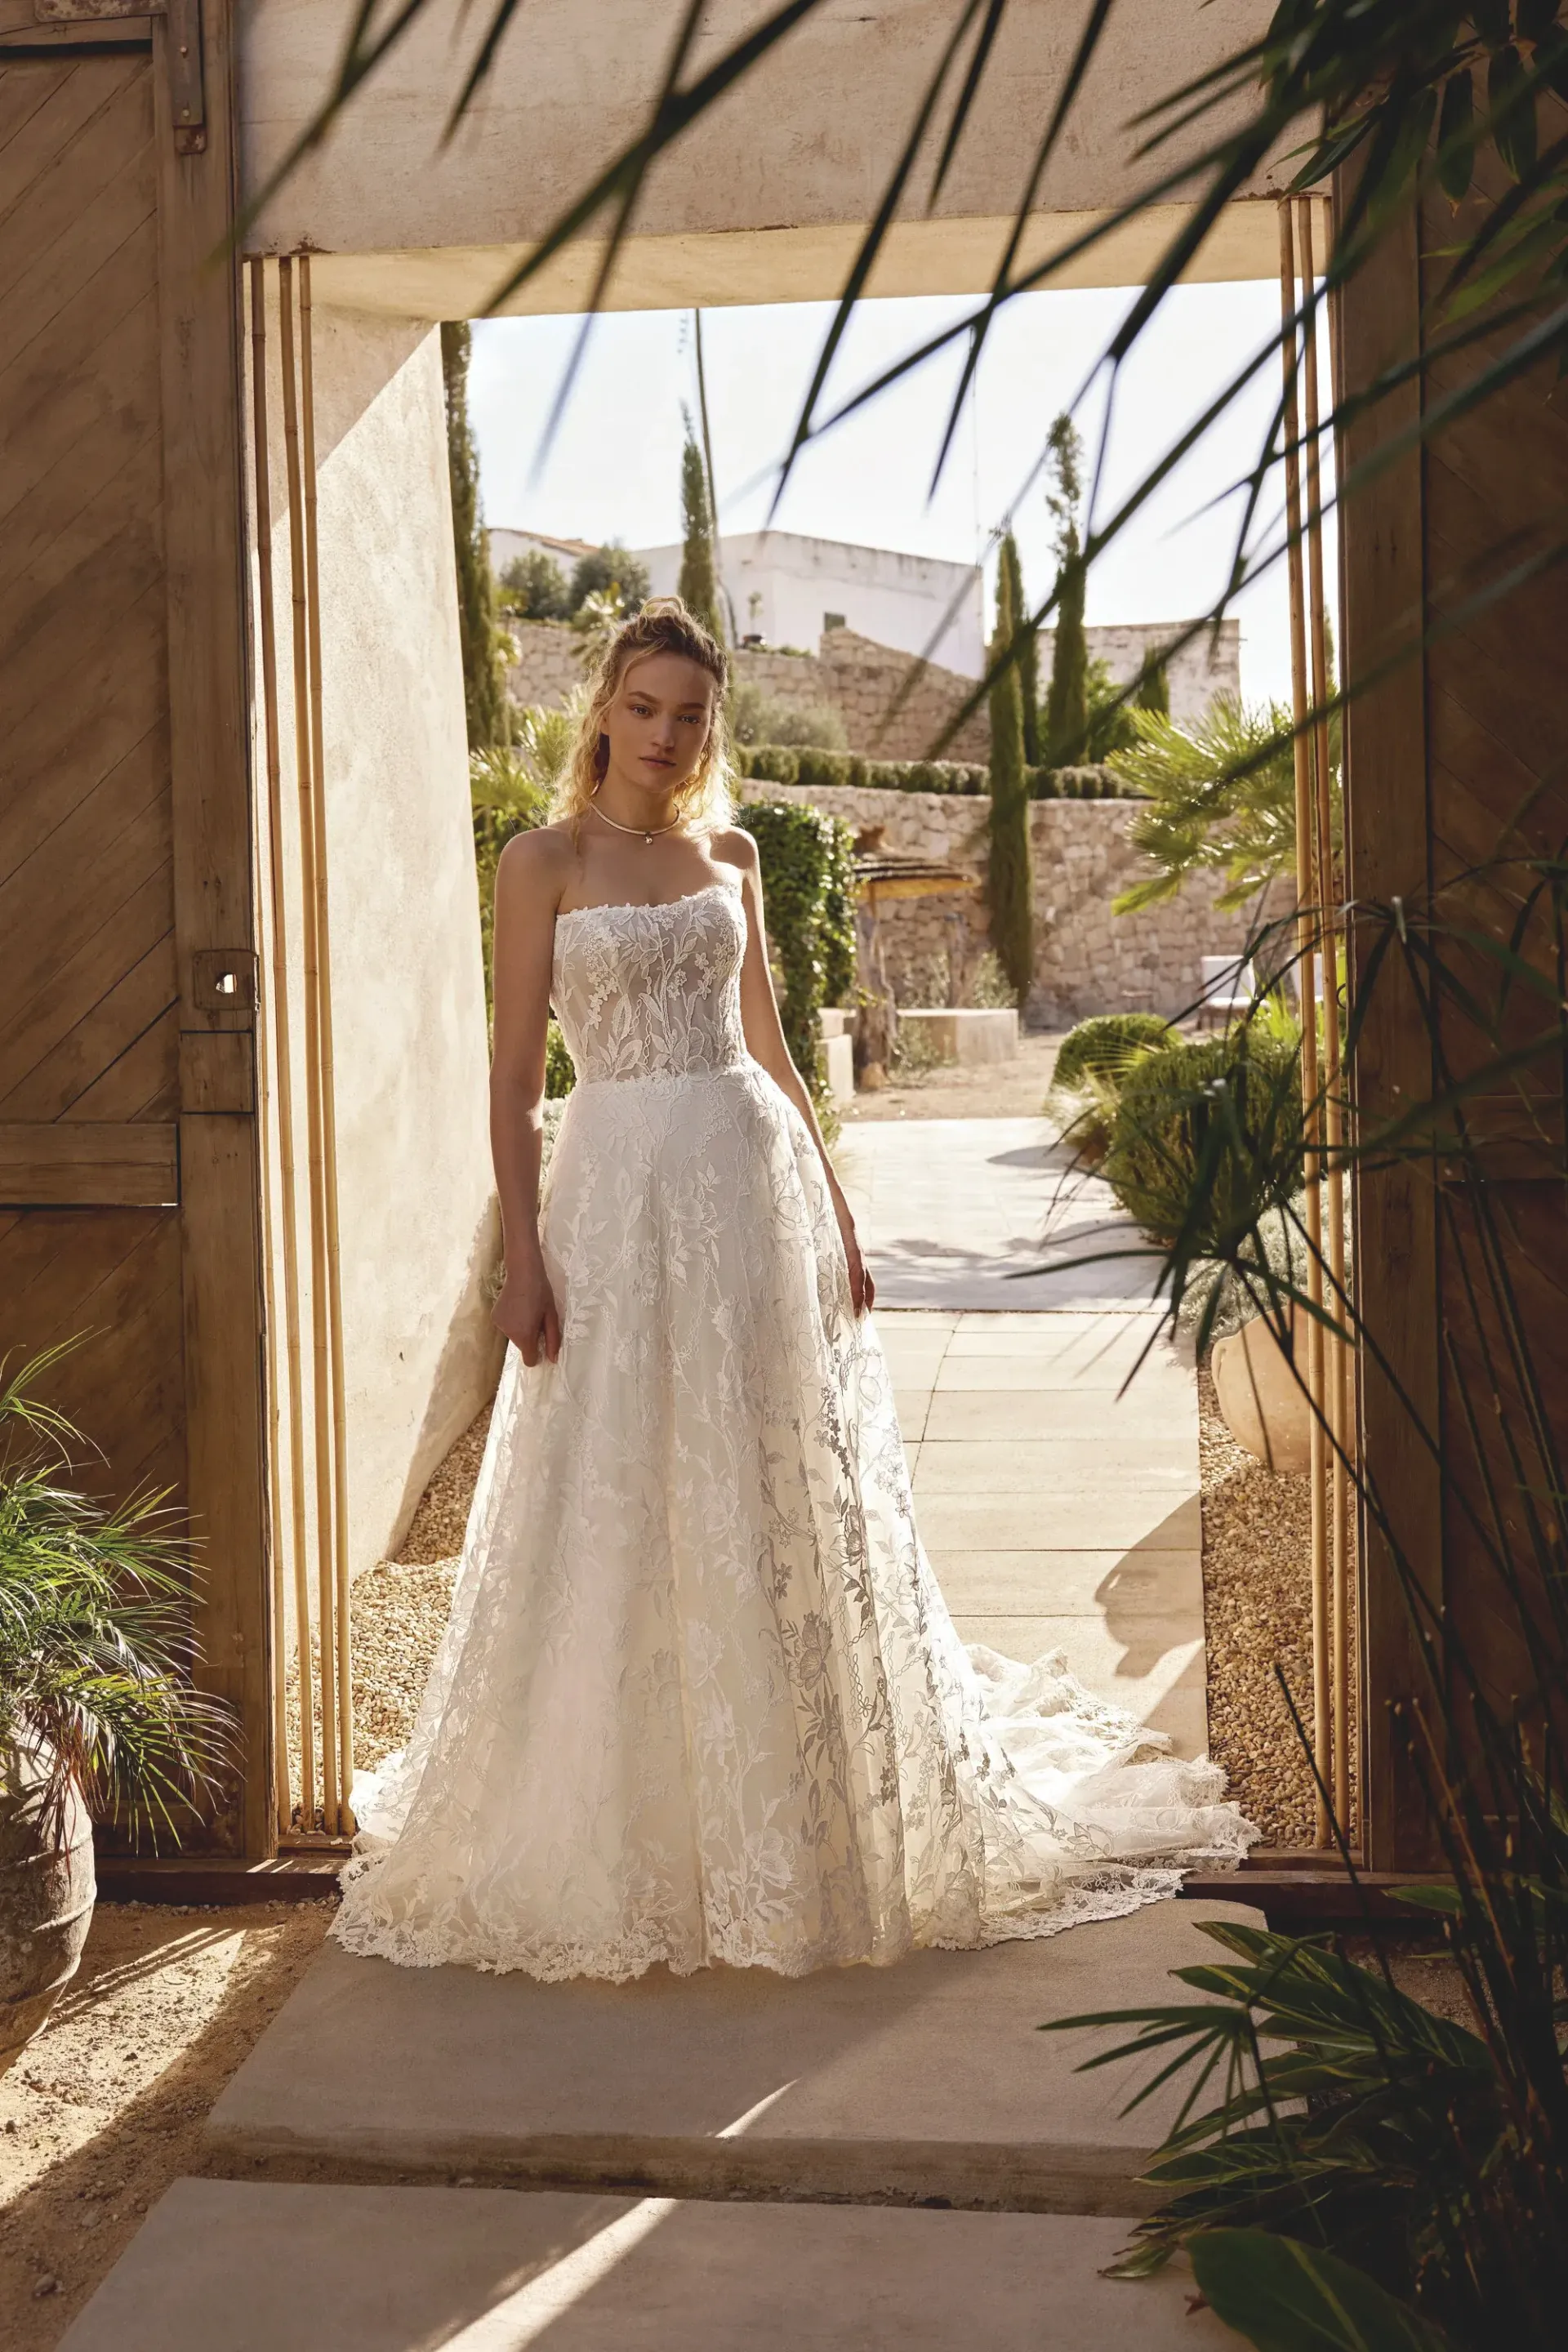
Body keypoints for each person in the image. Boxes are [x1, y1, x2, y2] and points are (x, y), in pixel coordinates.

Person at [332, 597, 1253, 1981]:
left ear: (712, 726)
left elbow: (767, 1045)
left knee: (760, 1468)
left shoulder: (736, 853)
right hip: (612, 1189)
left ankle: (789, 1791)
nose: (664, 734)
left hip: (742, 1186)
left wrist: (835, 1209)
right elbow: (515, 1077)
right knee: (615, 1468)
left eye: (689, 714)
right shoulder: (542, 861)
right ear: (604, 708)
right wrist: (523, 1254)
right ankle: (624, 1806)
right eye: (643, 706)